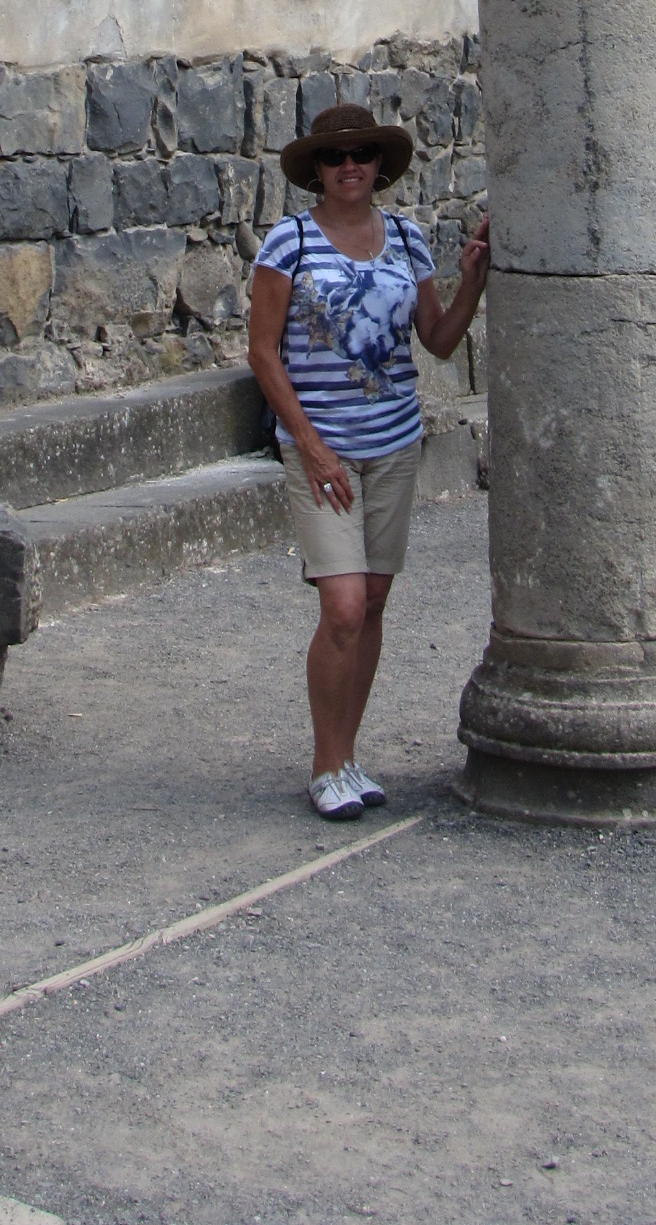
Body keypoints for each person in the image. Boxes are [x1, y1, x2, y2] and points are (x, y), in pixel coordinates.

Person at [247, 100, 489, 821]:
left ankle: (349, 756)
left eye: (360, 154)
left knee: (374, 602)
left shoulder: (408, 240)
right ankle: (325, 766)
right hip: (321, 449)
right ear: (316, 170)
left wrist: (473, 280)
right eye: (333, 157)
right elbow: (263, 352)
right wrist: (310, 445)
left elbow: (437, 340)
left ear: (380, 164)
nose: (348, 166)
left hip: (393, 444)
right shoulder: (289, 242)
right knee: (344, 606)